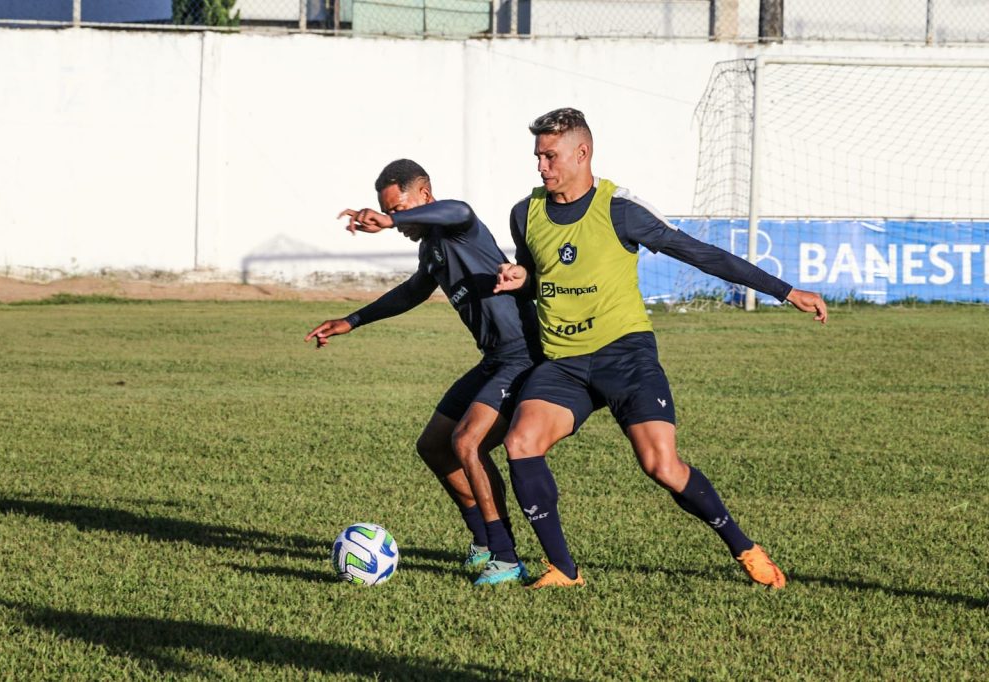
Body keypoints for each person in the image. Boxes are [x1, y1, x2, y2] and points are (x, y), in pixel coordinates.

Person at [494, 108, 827, 589]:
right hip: (564, 362)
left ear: (582, 153)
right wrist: (521, 277)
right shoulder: (524, 213)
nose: (541, 167)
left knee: (661, 466)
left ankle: (745, 548)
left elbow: (699, 253)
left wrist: (784, 290)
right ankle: (563, 570)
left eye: (551, 156)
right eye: (538, 157)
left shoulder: (620, 209)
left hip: (623, 354)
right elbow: (538, 271)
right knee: (521, 443)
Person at [306, 159, 542, 585]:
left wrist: (390, 218)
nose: (396, 221)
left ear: (424, 196)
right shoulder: (429, 248)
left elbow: (460, 210)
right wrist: (351, 321)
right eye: (388, 211)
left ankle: (507, 559)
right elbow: (413, 292)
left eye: (399, 209)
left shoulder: (457, 224)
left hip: (523, 354)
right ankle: (483, 544)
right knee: (434, 445)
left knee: (467, 442)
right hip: (494, 358)